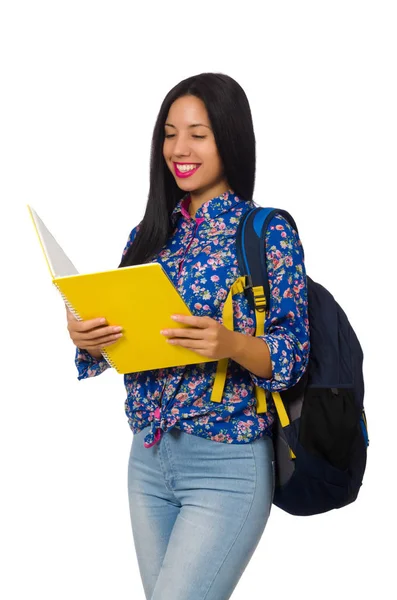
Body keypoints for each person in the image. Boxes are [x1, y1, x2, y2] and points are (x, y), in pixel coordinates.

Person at [67, 72, 310, 600]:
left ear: (229, 138)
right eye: (170, 133)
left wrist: (231, 344)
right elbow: (122, 345)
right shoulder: (150, 234)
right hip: (148, 461)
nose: (179, 149)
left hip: (226, 463)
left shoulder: (267, 231)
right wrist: (88, 338)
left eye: (198, 134)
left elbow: (292, 354)